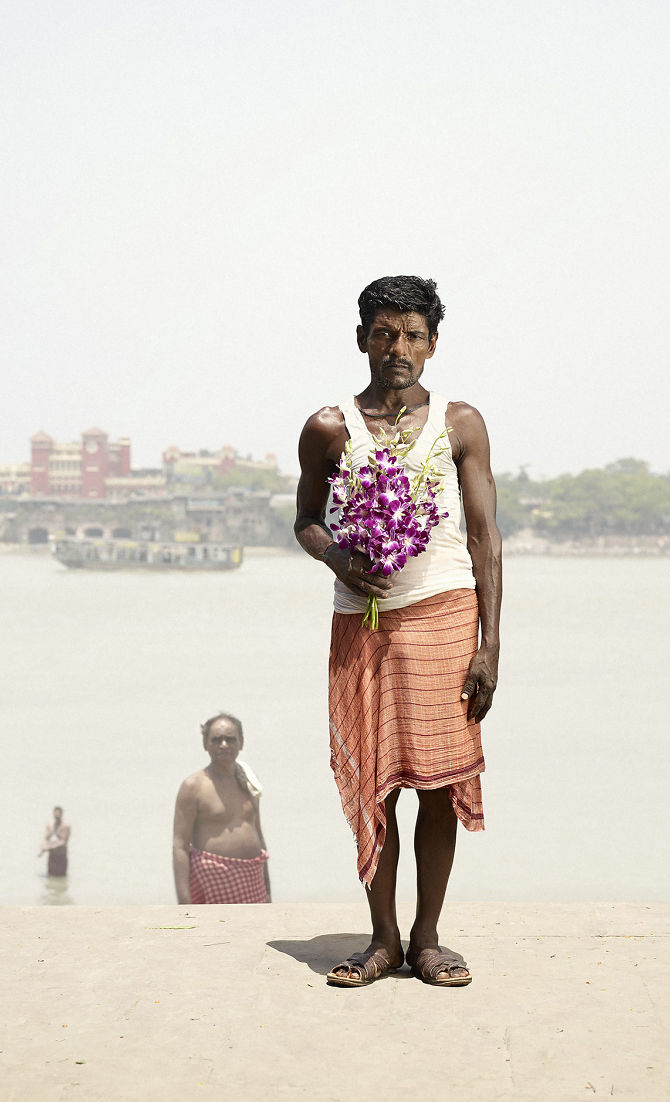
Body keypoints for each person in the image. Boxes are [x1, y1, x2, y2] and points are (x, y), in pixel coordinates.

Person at [294, 275, 501, 986]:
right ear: (362, 340)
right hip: (363, 626)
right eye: (384, 333)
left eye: (413, 334)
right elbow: (306, 521)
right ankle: (382, 941)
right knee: (375, 786)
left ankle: (429, 938)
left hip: (445, 616)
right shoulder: (329, 427)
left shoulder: (459, 422)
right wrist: (341, 559)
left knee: (439, 785)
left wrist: (490, 645)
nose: (399, 347)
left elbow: (485, 538)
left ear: (434, 344)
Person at [172, 713, 271, 903]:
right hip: (212, 884)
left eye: (230, 739)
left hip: (253, 881)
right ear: (205, 744)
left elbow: (258, 833)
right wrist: (184, 903)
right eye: (216, 740)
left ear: (241, 742)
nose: (224, 745)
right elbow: (180, 845)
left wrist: (267, 890)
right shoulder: (193, 786)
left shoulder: (249, 781)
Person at [38, 806, 70, 877]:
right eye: (55, 813)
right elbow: (45, 839)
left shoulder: (66, 826)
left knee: (61, 877)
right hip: (52, 856)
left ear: (61, 814)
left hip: (61, 855)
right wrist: (42, 849)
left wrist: (49, 846)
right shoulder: (50, 825)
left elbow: (63, 841)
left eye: (58, 813)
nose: (57, 815)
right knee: (50, 876)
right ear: (53, 814)